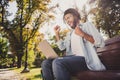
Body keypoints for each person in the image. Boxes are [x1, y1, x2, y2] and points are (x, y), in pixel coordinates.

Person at [41, 8, 106, 80]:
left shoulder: (87, 25)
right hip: (72, 59)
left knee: (58, 62)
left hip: (85, 60)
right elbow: (62, 47)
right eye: (66, 20)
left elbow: (101, 43)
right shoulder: (70, 34)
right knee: (46, 63)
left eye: (68, 17)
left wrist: (83, 34)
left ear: (76, 15)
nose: (67, 21)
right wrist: (57, 34)